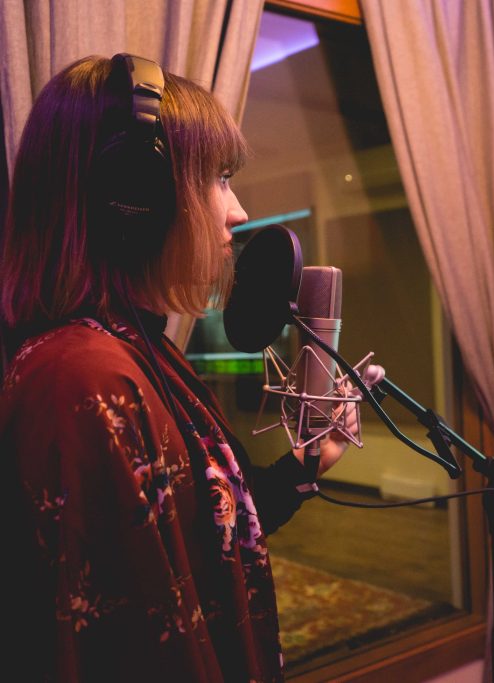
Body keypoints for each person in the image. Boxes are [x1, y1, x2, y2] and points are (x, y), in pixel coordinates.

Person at [0, 54, 353, 682]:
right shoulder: (87, 379)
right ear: (134, 199)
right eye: (218, 178)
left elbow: (199, 540)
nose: (238, 211)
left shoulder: (135, 347)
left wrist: (306, 464)